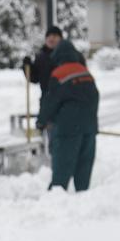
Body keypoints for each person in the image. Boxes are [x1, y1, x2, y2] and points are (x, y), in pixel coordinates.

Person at [36, 39, 100, 191]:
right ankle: (83, 199)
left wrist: (41, 121)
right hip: (89, 129)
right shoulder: (85, 72)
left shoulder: (59, 74)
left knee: (61, 170)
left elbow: (51, 101)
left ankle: (54, 201)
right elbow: (95, 97)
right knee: (83, 170)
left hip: (67, 130)